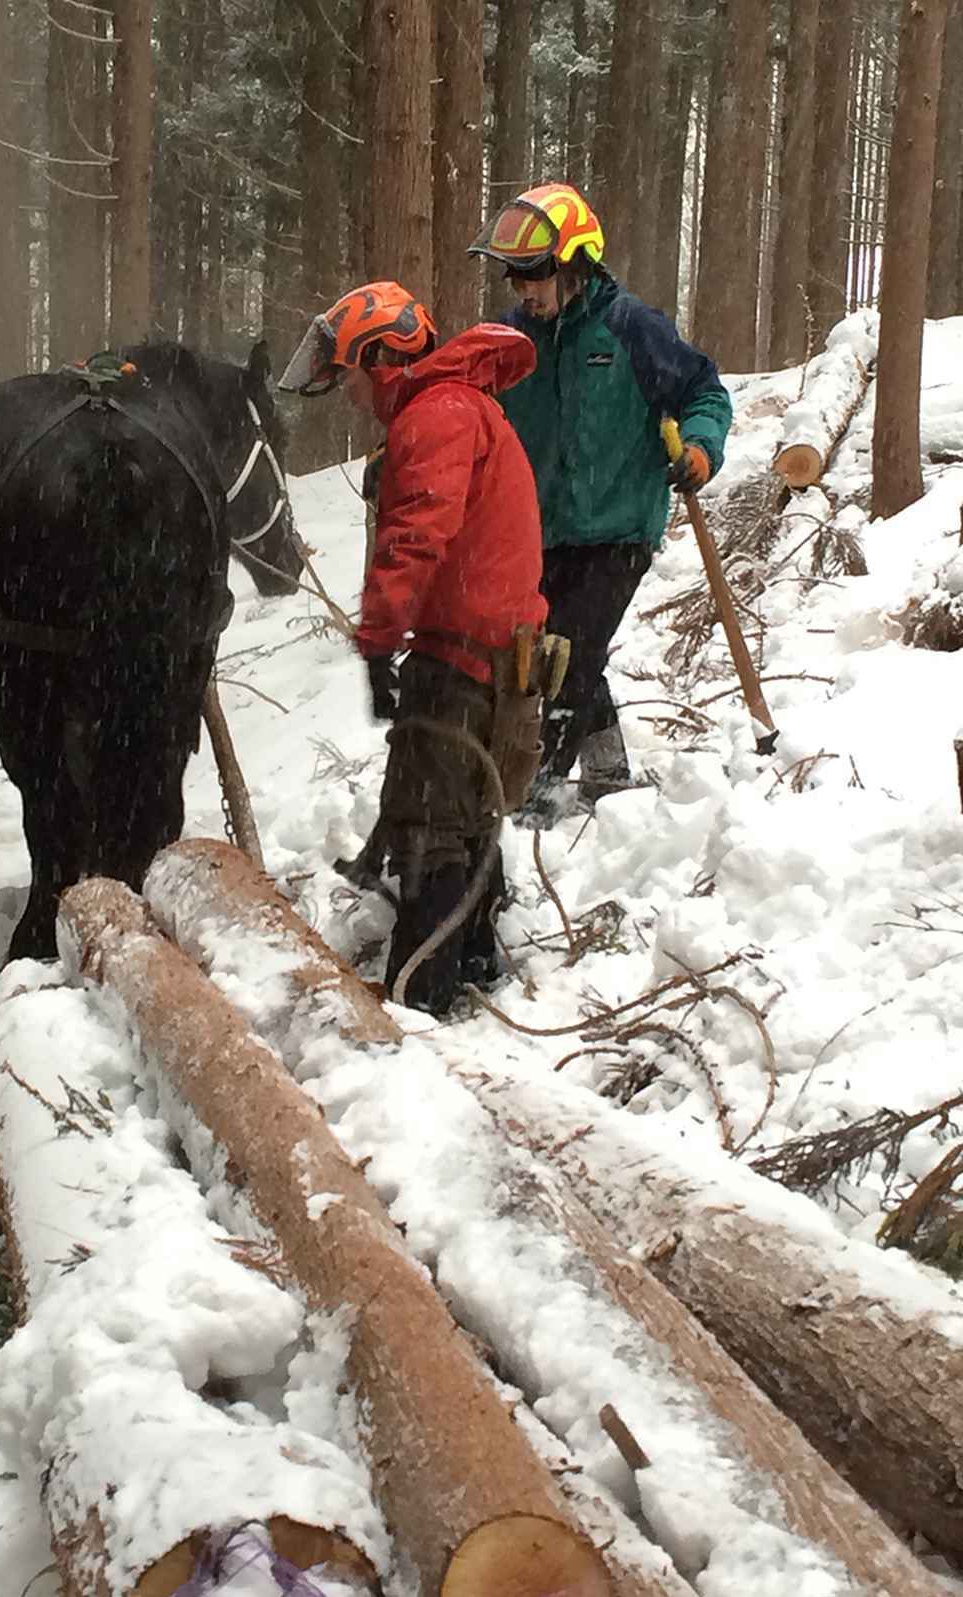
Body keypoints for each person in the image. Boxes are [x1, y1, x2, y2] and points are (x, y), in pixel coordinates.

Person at [278, 280, 548, 1016]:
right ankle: (474, 956)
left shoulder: (437, 416)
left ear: (380, 357)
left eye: (352, 377)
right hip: (485, 646)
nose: (352, 396)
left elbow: (415, 538)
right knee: (462, 813)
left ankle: (415, 1000)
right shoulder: (458, 406)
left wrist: (376, 638)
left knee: (438, 832)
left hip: (469, 654)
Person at [468, 182, 733, 826]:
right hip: (542, 530)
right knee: (563, 648)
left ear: (578, 263)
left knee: (569, 652)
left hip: (619, 525)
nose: (524, 290)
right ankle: (610, 773)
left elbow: (706, 393)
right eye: (516, 277)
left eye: (537, 275)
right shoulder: (510, 339)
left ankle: (542, 787)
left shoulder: (631, 329)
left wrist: (699, 448)